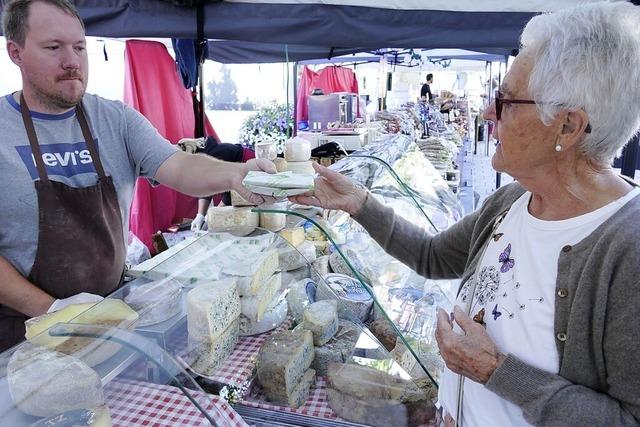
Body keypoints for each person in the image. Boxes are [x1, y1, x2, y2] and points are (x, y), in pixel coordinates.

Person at [292, 2, 640, 425]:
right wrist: (358, 202)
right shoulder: (511, 201)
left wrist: (495, 371)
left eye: (506, 100)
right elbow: (432, 256)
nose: (487, 113)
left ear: (567, 127)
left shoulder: (628, 249)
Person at [0, 0, 275, 352]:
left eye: (79, 47)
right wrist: (52, 310)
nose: (71, 60)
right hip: (22, 337)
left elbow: (177, 166)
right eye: (53, 48)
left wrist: (236, 174)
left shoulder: (116, 119)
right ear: (15, 52)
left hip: (110, 321)